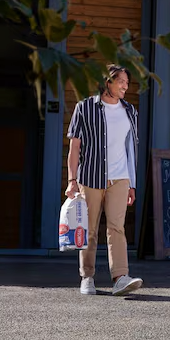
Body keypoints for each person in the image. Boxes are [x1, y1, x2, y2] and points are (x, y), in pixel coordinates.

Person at [66, 64, 144, 296]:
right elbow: (75, 147)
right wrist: (72, 180)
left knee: (116, 228)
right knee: (89, 229)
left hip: (120, 178)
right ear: (107, 82)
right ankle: (87, 276)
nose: (125, 86)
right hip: (90, 176)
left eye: (127, 83)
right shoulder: (85, 108)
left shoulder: (130, 111)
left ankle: (120, 277)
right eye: (121, 81)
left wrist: (132, 183)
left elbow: (130, 148)